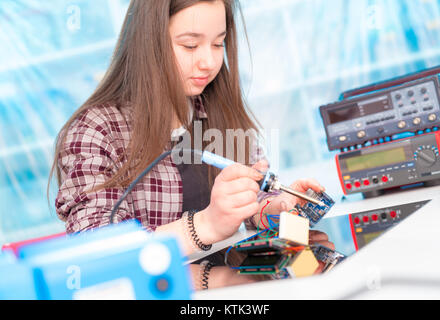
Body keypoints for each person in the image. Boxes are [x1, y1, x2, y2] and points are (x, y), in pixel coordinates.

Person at [50, 0, 334, 291]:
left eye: (218, 44)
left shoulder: (220, 109)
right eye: (189, 46)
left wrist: (277, 208)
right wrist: (208, 231)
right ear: (148, 46)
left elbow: (253, 205)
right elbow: (99, 254)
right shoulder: (96, 129)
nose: (209, 63)